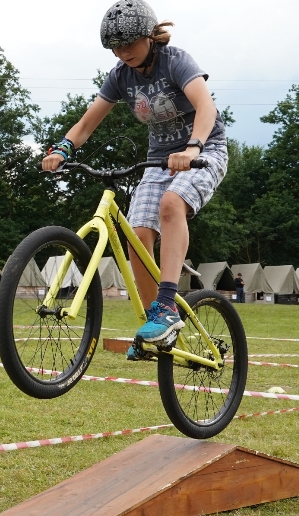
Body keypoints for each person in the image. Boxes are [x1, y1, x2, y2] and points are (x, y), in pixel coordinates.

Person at [42, 0, 228, 359]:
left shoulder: (176, 61)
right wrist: (63, 149)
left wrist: (192, 148)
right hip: (158, 162)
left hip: (205, 152)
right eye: (115, 47)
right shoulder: (120, 76)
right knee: (137, 236)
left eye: (129, 44)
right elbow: (85, 124)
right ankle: (153, 328)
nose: (122, 52)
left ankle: (166, 308)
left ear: (149, 37)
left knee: (171, 205)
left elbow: (207, 108)